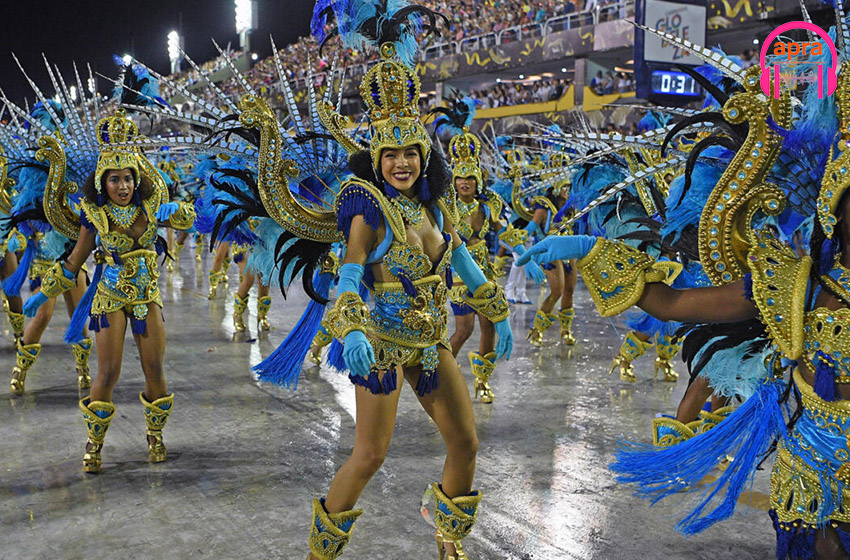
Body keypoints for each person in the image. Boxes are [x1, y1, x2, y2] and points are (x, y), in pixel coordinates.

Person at [25, 110, 196, 473]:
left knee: (154, 367)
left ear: (137, 179)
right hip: (110, 297)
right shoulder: (94, 215)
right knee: (108, 372)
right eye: (114, 179)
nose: (122, 186)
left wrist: (179, 211)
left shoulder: (151, 207)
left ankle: (155, 434)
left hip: (146, 296)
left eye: (128, 178)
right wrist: (43, 294)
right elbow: (74, 261)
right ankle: (95, 442)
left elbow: (190, 219)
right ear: (102, 183)